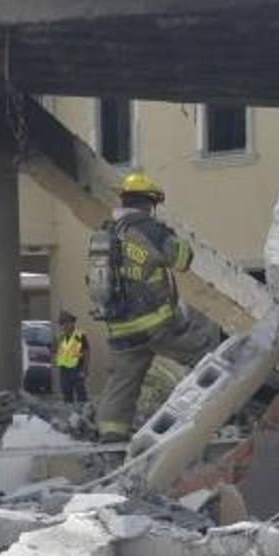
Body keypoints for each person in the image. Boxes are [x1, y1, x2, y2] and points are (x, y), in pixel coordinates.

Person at [91, 172, 219, 441]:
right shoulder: (149, 229)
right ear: (149, 203)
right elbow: (182, 260)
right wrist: (174, 238)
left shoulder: (107, 232)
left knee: (122, 385)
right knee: (205, 355)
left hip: (121, 329)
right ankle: (212, 417)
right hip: (155, 324)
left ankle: (111, 439)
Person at [54, 310, 89, 403]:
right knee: (66, 393)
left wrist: (85, 368)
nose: (64, 326)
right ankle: (70, 413)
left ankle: (83, 412)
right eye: (62, 323)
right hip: (64, 369)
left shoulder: (80, 335)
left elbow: (86, 352)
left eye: (66, 323)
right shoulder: (61, 337)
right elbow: (58, 352)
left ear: (72, 323)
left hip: (77, 368)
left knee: (80, 393)